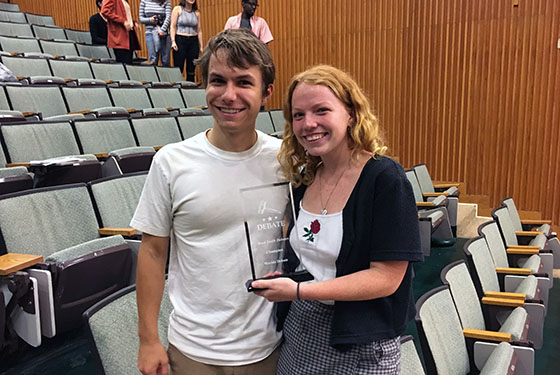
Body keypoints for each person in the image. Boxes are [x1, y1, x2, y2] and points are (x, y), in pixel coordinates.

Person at [251, 65, 424, 374]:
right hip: (300, 331)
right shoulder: (304, 179)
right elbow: (305, 255)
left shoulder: (385, 179)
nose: (309, 124)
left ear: (351, 114)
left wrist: (300, 290)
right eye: (299, 115)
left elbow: (386, 278)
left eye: (321, 110)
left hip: (361, 342)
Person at [132, 28, 283, 375]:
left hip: (268, 346)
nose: (229, 95)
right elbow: (153, 252)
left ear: (267, 93)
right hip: (193, 349)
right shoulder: (171, 162)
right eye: (218, 81)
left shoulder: (285, 160)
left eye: (244, 82)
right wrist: (148, 339)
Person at [170, 0, 202, 82]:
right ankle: (178, 87)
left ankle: (190, 88)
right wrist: (173, 41)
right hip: (180, 39)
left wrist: (201, 46)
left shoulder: (197, 12)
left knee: (191, 68)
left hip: (193, 40)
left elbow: (199, 30)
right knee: (178, 66)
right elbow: (173, 26)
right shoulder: (177, 9)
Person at [101, 0, 141, 64]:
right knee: (124, 62)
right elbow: (105, 11)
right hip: (120, 35)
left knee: (129, 62)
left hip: (128, 33)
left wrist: (133, 22)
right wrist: (123, 21)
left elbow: (124, 14)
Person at [139, 0, 172, 66]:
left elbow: (168, 17)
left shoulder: (166, 1)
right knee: (153, 58)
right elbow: (141, 19)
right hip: (150, 32)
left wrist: (162, 30)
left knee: (165, 60)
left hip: (163, 33)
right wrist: (149, 20)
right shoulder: (144, 1)